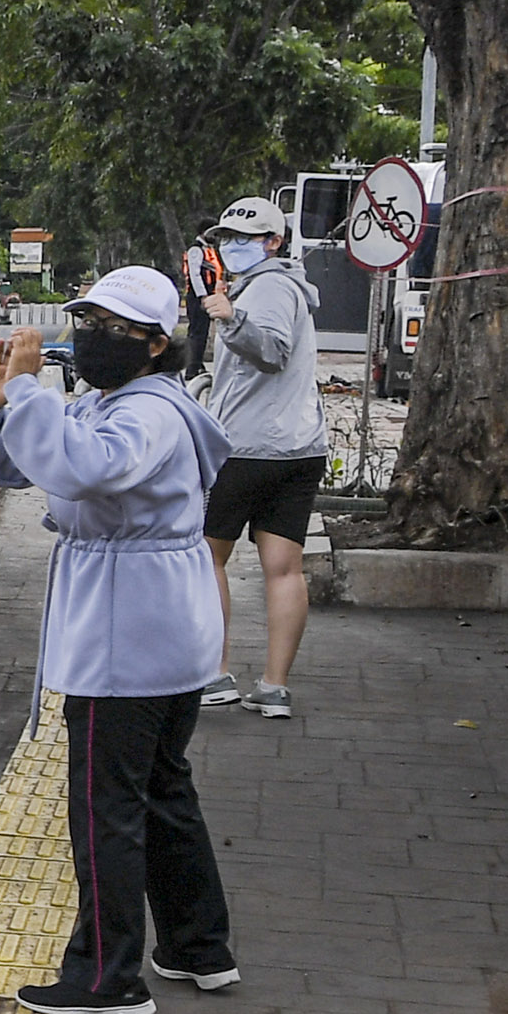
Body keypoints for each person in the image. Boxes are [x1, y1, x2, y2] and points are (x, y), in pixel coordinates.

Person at [0, 267, 239, 1014]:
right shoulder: (128, 402)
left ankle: (106, 977)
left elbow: (82, 469)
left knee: (104, 806)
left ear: (156, 344)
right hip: (160, 624)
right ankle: (196, 944)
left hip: (129, 630)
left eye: (113, 329)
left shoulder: (143, 415)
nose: (91, 339)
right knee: (162, 791)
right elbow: (26, 464)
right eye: (87, 321)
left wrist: (24, 393)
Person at [190, 195, 324, 721]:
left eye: (246, 239)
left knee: (207, 558)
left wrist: (232, 318)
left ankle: (214, 673)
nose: (233, 247)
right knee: (284, 569)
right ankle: (274, 686)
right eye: (227, 238)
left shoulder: (267, 286)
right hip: (298, 449)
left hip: (248, 448)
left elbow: (272, 350)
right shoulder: (288, 286)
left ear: (274, 242)